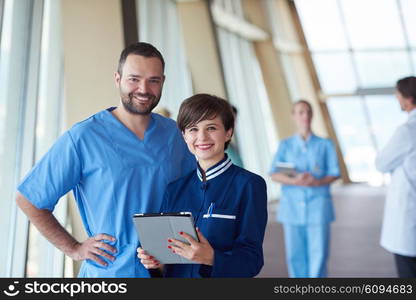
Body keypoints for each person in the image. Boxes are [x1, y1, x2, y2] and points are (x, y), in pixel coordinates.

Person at [15, 42, 195, 277]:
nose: (144, 89)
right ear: (117, 78)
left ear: (163, 82)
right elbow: (29, 199)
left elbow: (194, 196)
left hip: (166, 270)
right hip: (109, 273)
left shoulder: (174, 134)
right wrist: (74, 248)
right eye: (134, 79)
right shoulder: (83, 137)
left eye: (153, 80)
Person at [137, 94, 268, 277]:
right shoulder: (174, 189)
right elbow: (168, 257)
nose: (202, 137)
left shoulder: (249, 185)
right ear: (184, 136)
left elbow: (252, 260)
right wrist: (155, 262)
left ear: (228, 132)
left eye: (211, 128)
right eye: (193, 129)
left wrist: (212, 258)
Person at [269, 100, 340, 278]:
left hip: (318, 206)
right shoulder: (285, 145)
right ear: (294, 116)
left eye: (308, 112)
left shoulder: (325, 144)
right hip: (291, 207)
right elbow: (274, 173)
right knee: (295, 255)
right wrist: (296, 181)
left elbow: (334, 173)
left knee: (319, 254)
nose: (305, 116)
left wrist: (316, 182)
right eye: (300, 112)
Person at [375, 76, 416, 278]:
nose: (396, 98)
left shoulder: (407, 130)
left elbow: (381, 163)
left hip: (409, 219)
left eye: (397, 95)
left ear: (407, 99)